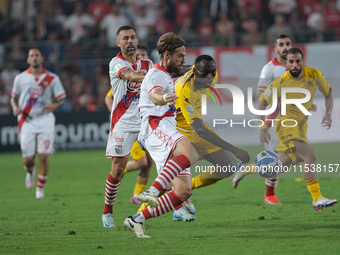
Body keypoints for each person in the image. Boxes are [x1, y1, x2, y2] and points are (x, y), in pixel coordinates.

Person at [136, 55, 251, 222]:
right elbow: (200, 130)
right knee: (170, 179)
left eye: (212, 72)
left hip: (197, 129)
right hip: (180, 131)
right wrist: (234, 148)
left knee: (228, 166)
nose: (210, 77)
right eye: (205, 73)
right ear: (196, 72)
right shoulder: (184, 90)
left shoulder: (208, 75)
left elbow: (188, 68)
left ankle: (190, 188)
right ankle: (140, 213)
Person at [123, 32, 199, 238]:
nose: (183, 60)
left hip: (162, 130)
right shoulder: (157, 75)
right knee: (190, 152)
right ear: (167, 55)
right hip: (155, 126)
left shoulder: (166, 76)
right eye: (180, 56)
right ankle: (153, 191)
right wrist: (163, 97)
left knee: (183, 191)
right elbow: (155, 95)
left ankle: (136, 219)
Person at [259, 48, 336, 210]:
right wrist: (262, 128)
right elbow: (262, 102)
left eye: (297, 61)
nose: (294, 65)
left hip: (300, 127)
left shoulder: (313, 74)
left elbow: (328, 93)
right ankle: (317, 198)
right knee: (310, 155)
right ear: (286, 64)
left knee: (278, 165)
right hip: (286, 125)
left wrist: (328, 114)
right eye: (291, 62)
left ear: (302, 61)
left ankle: (244, 170)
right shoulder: (280, 82)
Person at [101, 26, 153, 228]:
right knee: (117, 169)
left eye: (132, 37)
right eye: (125, 38)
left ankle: (181, 205)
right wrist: (152, 77)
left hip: (147, 122)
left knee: (169, 160)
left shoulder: (148, 63)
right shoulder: (116, 63)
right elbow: (130, 76)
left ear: (137, 40)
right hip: (123, 123)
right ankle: (107, 212)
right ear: (118, 43)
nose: (130, 41)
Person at [233, 34, 292, 205]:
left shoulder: (294, 68)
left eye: (287, 43)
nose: (285, 47)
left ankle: (245, 170)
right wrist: (262, 127)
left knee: (290, 158)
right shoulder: (269, 69)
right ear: (275, 49)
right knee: (274, 160)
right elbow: (260, 96)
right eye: (281, 44)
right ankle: (269, 195)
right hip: (273, 121)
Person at [11, 48, 66, 199]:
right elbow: (14, 97)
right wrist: (15, 107)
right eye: (31, 56)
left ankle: (40, 190)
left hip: (45, 120)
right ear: (28, 60)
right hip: (27, 121)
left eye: (37, 55)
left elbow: (62, 98)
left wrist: (55, 106)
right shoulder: (20, 78)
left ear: (42, 58)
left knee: (43, 156)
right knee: (28, 159)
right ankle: (30, 171)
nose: (34, 58)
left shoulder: (52, 78)